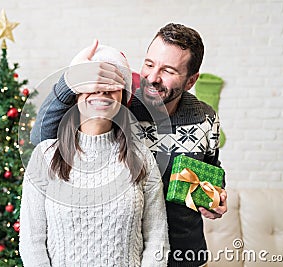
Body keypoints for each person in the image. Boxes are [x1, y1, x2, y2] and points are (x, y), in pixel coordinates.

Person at [30, 23, 228, 266]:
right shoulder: (121, 106)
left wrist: (215, 198)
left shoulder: (204, 117)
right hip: (131, 255)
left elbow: (210, 170)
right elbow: (42, 138)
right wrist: (70, 80)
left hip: (186, 256)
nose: (153, 78)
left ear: (190, 81)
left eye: (168, 70)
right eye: (149, 64)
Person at [19, 45, 170, 266]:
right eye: (92, 84)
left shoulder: (142, 157)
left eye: (112, 85)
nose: (102, 91)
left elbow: (157, 239)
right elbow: (32, 243)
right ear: (76, 92)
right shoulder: (45, 156)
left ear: (122, 96)